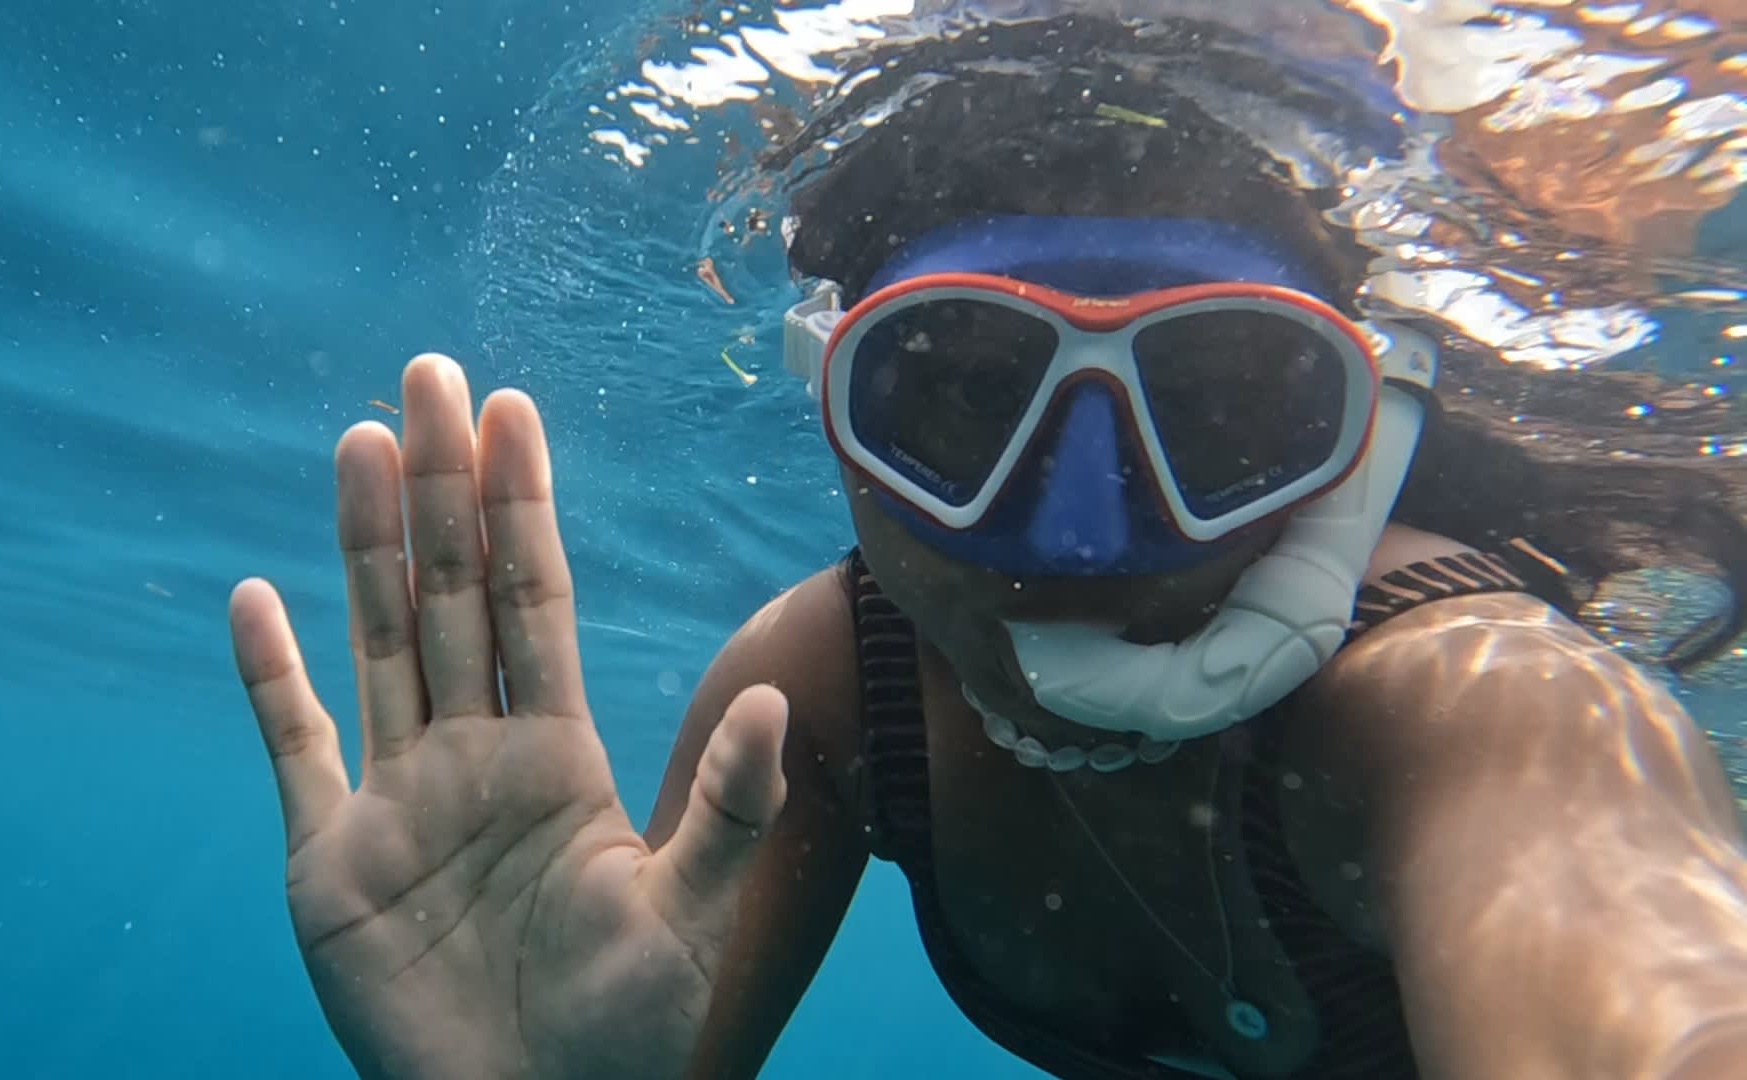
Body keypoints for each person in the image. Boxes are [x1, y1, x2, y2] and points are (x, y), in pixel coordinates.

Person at [226, 10, 1747, 1080]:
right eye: (957, 398)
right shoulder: (818, 699)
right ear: (837, 414)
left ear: (1358, 432)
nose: (1082, 536)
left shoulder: (1481, 707)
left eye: (1218, 408)